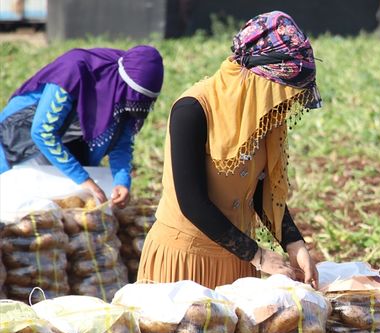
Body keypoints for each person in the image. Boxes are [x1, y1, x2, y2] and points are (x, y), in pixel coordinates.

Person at [138, 11, 321, 289]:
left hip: (236, 262)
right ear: (255, 78)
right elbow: (192, 202)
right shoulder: (193, 110)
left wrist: (294, 243)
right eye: (279, 91)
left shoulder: (263, 114)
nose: (281, 104)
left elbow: (262, 190)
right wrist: (258, 255)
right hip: (185, 261)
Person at [0, 46, 164, 208]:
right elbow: (43, 132)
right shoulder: (74, 71)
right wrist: (83, 179)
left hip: (70, 143)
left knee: (75, 212)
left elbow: (121, 142)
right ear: (123, 83)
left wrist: (121, 181)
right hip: (22, 141)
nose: (133, 103)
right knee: (26, 208)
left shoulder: (124, 95)